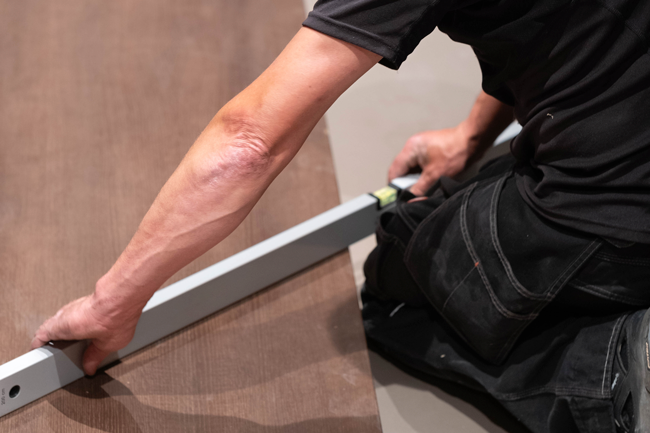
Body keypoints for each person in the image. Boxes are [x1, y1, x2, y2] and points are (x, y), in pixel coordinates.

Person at [31, 1, 650, 432]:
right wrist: (471, 134)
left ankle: (611, 364)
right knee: (451, 204)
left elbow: (248, 143)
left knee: (395, 287)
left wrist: (112, 303)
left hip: (620, 211)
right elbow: (565, 26)